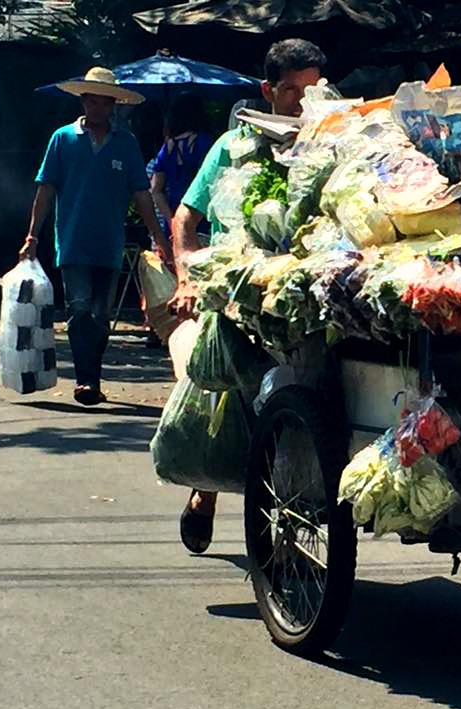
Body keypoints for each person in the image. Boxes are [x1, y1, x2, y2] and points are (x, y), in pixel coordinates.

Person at [167, 39, 327, 554]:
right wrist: (189, 278)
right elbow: (185, 218)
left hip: (299, 296)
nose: (301, 103)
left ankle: (291, 501)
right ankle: (206, 491)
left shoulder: (332, 145)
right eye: (289, 91)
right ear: (267, 91)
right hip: (234, 296)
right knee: (226, 399)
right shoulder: (233, 147)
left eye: (312, 90)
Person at [20, 67, 166, 406]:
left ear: (114, 105)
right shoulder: (63, 139)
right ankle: (87, 379)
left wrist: (159, 235)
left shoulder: (126, 144)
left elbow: (141, 194)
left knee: (101, 316)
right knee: (80, 308)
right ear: (83, 101)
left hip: (109, 243)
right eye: (93, 102)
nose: (98, 109)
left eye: (105, 103)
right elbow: (46, 189)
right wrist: (32, 236)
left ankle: (93, 374)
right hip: (72, 241)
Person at [150, 92, 214, 250]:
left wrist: (171, 220)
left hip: (173, 223)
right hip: (201, 222)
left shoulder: (168, 148)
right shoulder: (206, 143)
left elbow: (156, 190)